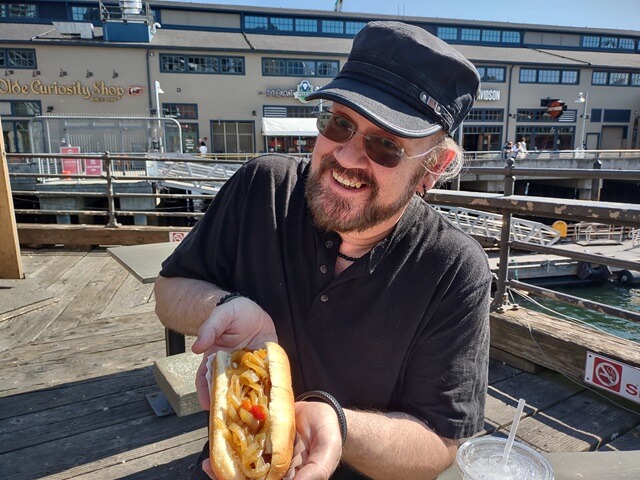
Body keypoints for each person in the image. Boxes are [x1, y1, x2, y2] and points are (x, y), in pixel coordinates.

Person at [155, 21, 491, 480]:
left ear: (434, 166)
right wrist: (225, 306)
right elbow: (170, 289)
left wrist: (340, 426)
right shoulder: (262, 187)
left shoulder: (454, 268)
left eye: (387, 145)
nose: (348, 157)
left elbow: (440, 442)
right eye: (340, 123)